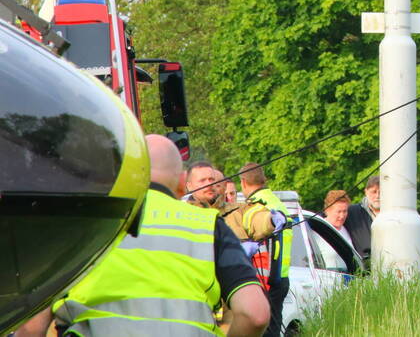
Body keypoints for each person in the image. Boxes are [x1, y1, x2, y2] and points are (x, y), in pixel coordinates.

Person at [15, 135, 269, 337]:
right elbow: (254, 314)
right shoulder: (209, 226)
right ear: (183, 183)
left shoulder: (83, 223)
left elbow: (32, 328)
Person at [240, 162, 291, 337]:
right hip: (281, 276)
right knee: (274, 329)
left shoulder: (257, 205)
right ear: (264, 179)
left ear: (243, 182)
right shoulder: (276, 202)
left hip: (265, 278)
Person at [344, 175, 380, 263]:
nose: (378, 196)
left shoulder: (395, 215)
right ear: (366, 192)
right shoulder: (352, 212)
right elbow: (330, 217)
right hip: (363, 269)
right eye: (374, 192)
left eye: (381, 192)